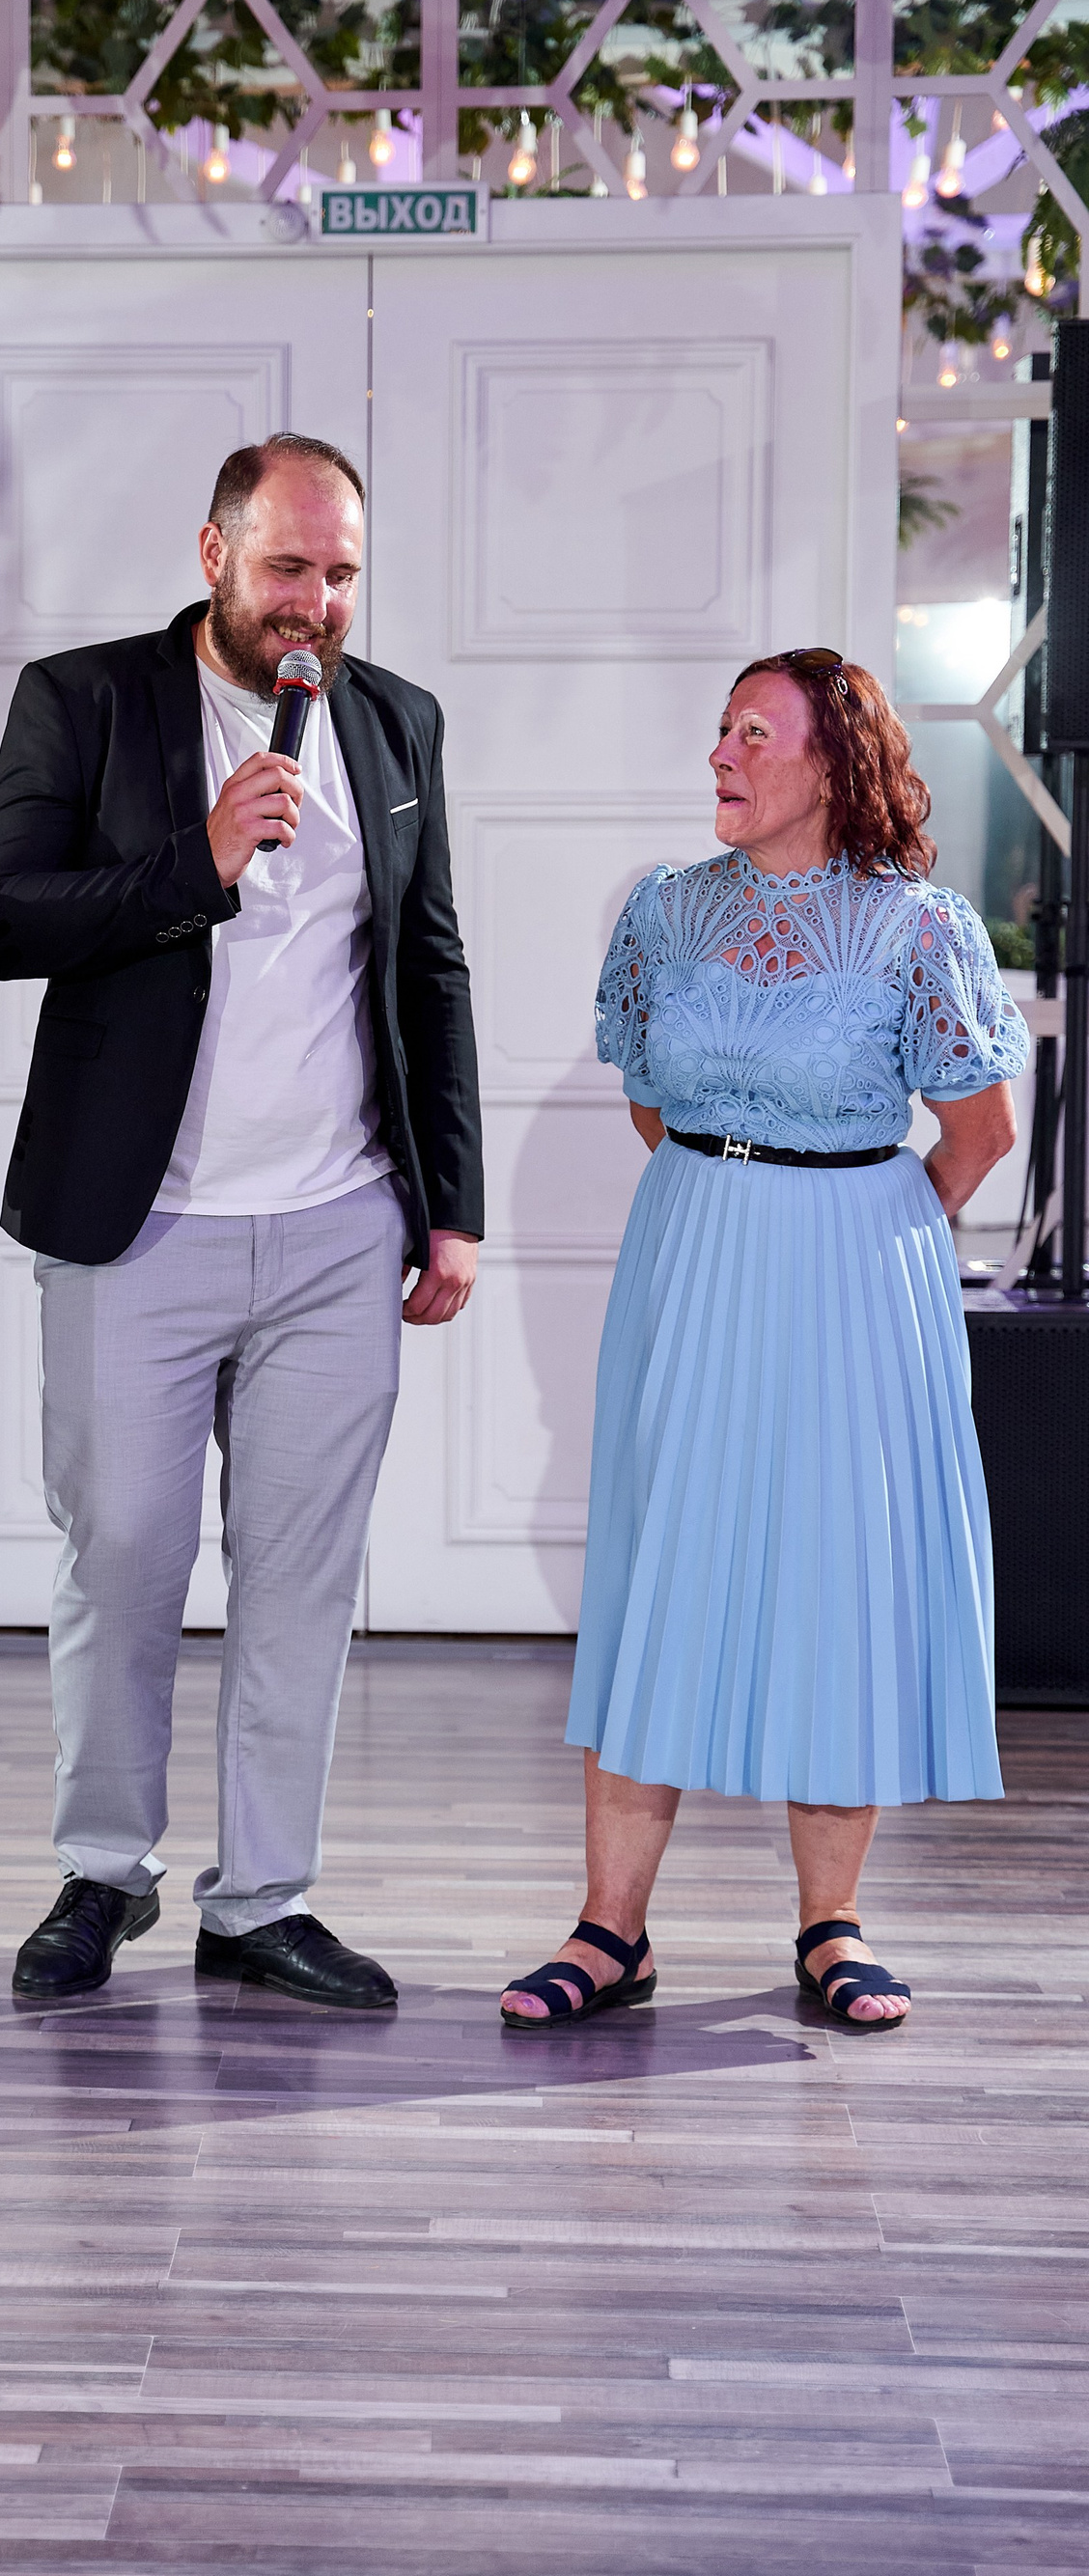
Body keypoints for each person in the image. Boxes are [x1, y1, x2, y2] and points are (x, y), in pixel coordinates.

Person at [0, 433, 483, 2011]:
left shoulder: (395, 722)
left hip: (338, 1225)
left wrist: (450, 1207)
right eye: (287, 568)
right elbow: (0, 920)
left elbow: (429, 962)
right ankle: (101, 1872)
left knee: (302, 1574)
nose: (314, 603)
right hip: (142, 1224)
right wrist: (192, 858)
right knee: (123, 1553)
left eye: (341, 574)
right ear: (214, 554)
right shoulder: (86, 700)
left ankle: (263, 1899)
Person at [499, 648, 1028, 2036]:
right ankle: (611, 1931)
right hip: (689, 1260)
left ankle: (831, 1926)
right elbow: (650, 1095)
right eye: (720, 728)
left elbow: (979, 1131)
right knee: (660, 1568)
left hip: (855, 1280)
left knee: (836, 1581)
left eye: (753, 732)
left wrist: (854, 1227)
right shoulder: (666, 910)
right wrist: (732, 1195)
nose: (721, 754)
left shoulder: (920, 929)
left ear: (833, 765)